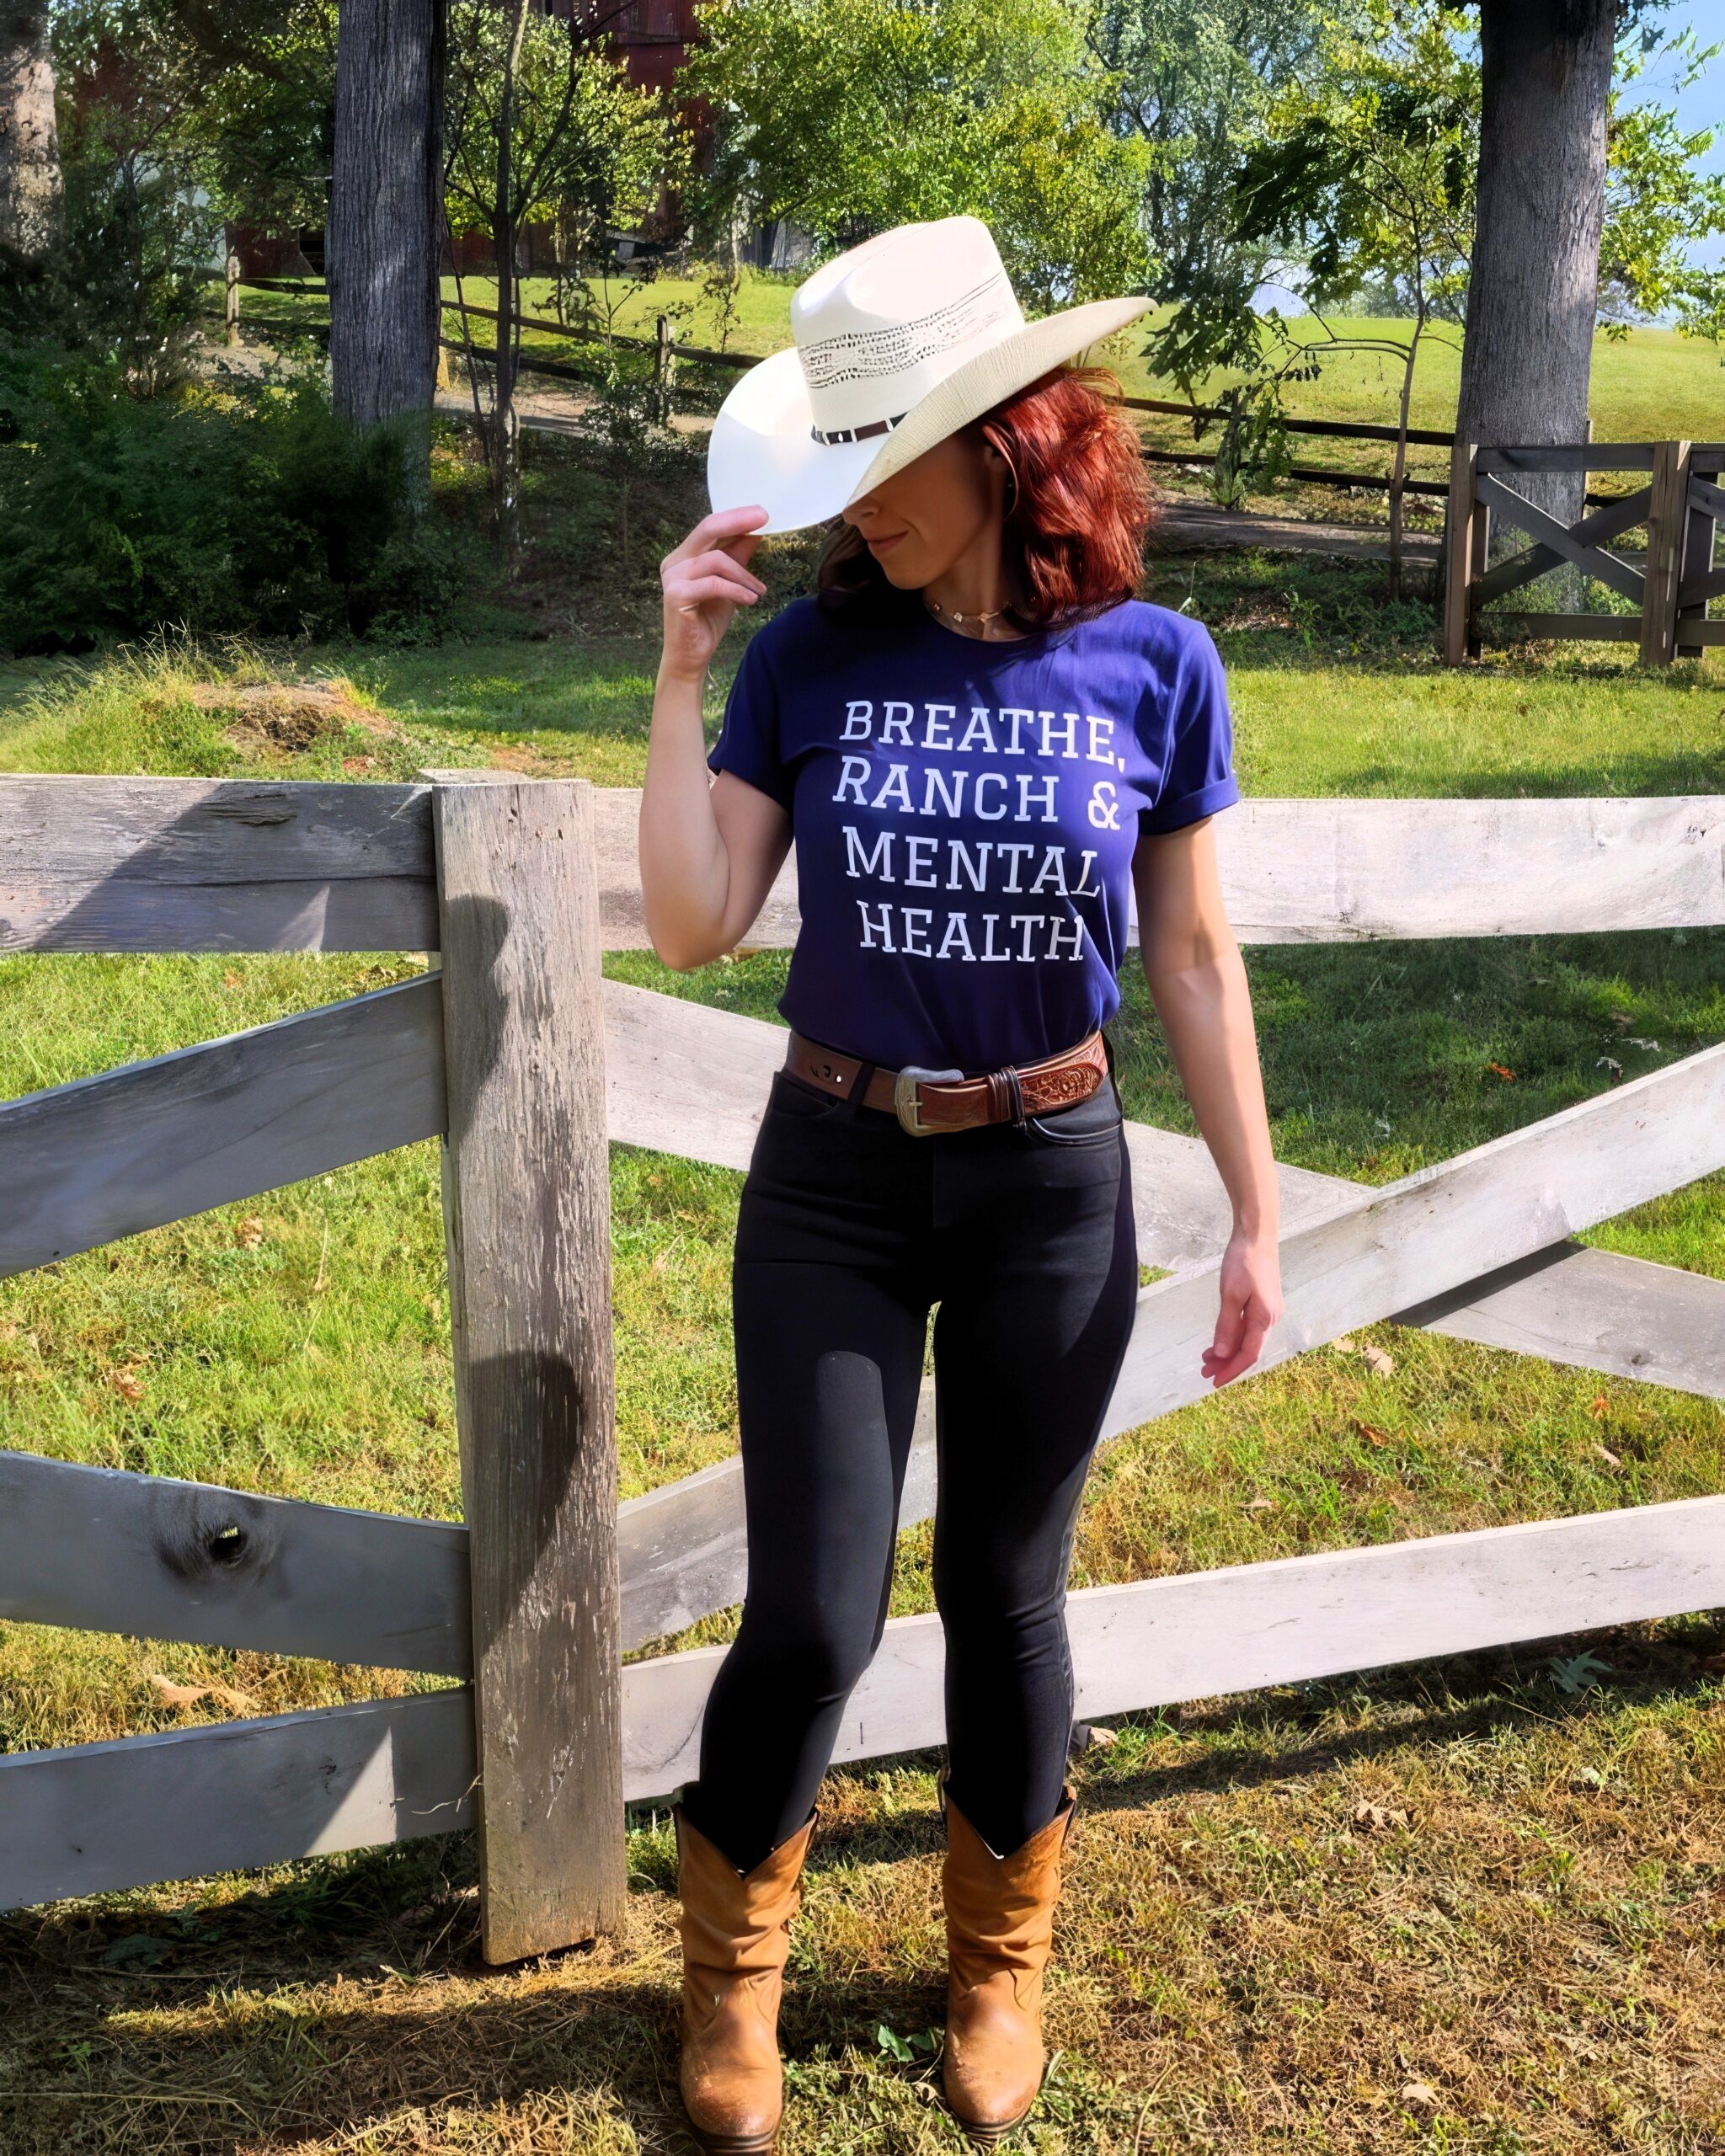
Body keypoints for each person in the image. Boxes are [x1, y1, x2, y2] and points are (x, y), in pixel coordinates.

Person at [638, 215, 1284, 2154]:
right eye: (832, 469)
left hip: (1053, 1181)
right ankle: (731, 1980)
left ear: (1000, 431)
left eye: (879, 460)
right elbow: (689, 923)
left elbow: (1191, 956)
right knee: (816, 1613)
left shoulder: (1151, 663)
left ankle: (997, 1965)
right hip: (832, 1172)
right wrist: (676, 678)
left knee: (1009, 1589)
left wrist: (1253, 1212)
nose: (854, 511)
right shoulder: (810, 653)